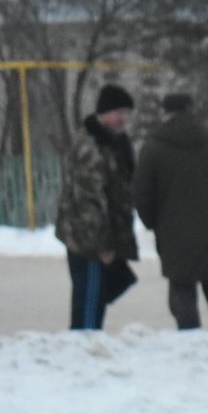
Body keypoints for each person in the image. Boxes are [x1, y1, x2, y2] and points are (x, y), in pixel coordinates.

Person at [132, 92, 208, 339]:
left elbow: (141, 194)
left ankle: (190, 345)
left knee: (182, 293)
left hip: (173, 235)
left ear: (166, 113)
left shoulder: (153, 149)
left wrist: (153, 222)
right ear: (192, 110)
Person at [56, 83, 140, 331]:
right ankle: (84, 346)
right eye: (119, 113)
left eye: (127, 113)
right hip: (88, 241)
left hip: (101, 236)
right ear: (104, 112)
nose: (123, 119)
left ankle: (88, 343)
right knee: (89, 301)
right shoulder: (90, 147)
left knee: (98, 295)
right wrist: (102, 245)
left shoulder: (114, 143)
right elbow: (89, 201)